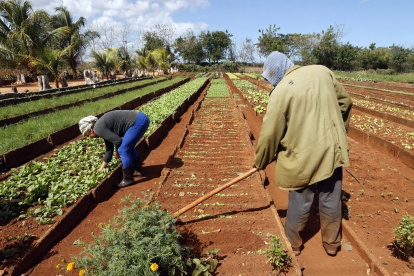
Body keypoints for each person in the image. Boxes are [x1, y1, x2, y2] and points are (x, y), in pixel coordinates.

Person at [253, 51, 353, 257]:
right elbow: (345, 102)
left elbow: (270, 133)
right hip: (331, 151)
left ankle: (293, 243)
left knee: (301, 198)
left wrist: (261, 161)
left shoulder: (280, 93)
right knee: (331, 197)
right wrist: (337, 133)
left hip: (303, 155)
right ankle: (332, 244)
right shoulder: (323, 72)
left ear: (276, 74)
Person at [79, 110, 150, 188]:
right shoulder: (101, 126)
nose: (91, 138)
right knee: (127, 147)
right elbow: (109, 148)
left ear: (91, 130)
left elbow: (118, 140)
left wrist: (117, 151)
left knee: (123, 150)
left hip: (137, 122)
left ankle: (128, 179)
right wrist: (102, 168)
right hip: (141, 119)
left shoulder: (98, 129)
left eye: (88, 135)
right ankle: (137, 170)